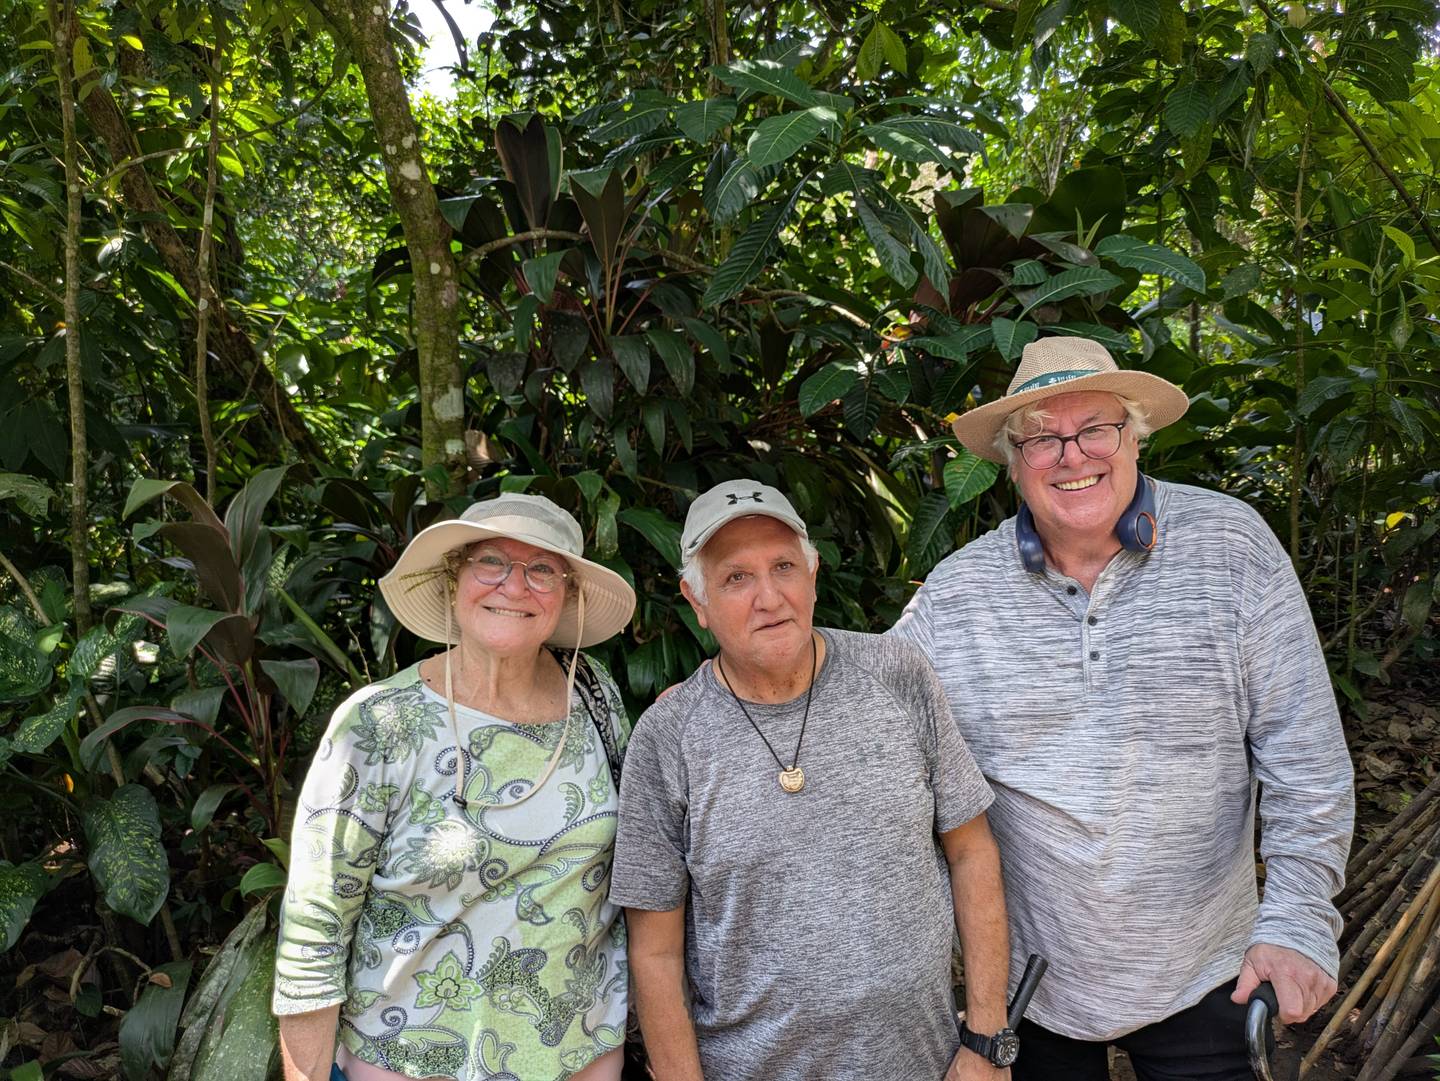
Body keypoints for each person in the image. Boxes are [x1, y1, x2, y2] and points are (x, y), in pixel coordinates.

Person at [891, 337, 1355, 1081]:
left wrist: (1298, 919)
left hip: (1210, 967)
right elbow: (869, 723)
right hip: (1030, 984)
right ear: (1012, 462)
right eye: (1041, 437)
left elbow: (1305, 760)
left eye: (1096, 429)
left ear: (1134, 438)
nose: (1071, 455)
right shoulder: (956, 595)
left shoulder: (1232, 546)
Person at [611, 479, 1016, 1081]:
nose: (769, 597)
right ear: (697, 602)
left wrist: (986, 1039)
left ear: (813, 574)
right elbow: (655, 951)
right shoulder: (668, 737)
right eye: (736, 578)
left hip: (926, 1064)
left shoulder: (896, 674)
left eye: (783, 567)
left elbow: (971, 851)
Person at [273, 493, 637, 1081]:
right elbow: (315, 930)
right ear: (453, 579)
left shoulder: (594, 695)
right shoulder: (380, 723)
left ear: (568, 593)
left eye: (542, 569)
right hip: (409, 1061)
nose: (514, 586)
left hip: (580, 1053)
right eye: (490, 561)